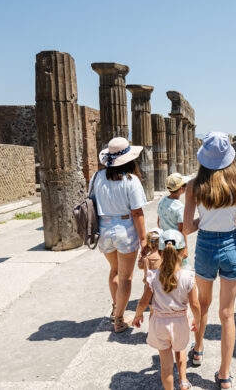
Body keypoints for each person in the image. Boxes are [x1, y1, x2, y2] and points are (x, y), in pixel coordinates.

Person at [183, 132, 236, 390]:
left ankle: (198, 349)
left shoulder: (193, 185)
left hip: (206, 246)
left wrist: (205, 221)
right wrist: (230, 221)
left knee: (203, 303)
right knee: (227, 314)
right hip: (231, 246)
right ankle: (224, 376)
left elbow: (188, 228)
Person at [133, 229, 201, 390]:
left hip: (160, 323)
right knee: (180, 349)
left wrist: (137, 315)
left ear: (160, 252)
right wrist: (196, 319)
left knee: (166, 366)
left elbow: (144, 301)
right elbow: (195, 304)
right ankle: (183, 381)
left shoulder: (154, 276)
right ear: (183, 252)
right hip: (180, 322)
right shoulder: (188, 276)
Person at [93, 137, 148, 333]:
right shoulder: (131, 181)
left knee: (114, 271)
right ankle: (119, 319)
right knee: (126, 277)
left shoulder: (96, 177)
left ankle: (116, 309)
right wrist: (143, 240)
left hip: (104, 228)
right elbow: (137, 213)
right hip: (125, 229)